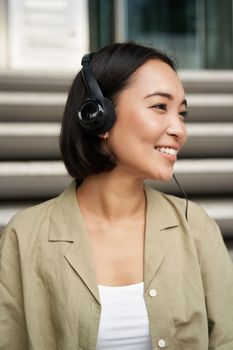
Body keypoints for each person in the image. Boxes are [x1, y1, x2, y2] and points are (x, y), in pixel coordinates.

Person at [0, 42, 233, 350]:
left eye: (183, 113)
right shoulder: (25, 235)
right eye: (160, 107)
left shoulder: (196, 227)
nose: (179, 129)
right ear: (98, 117)